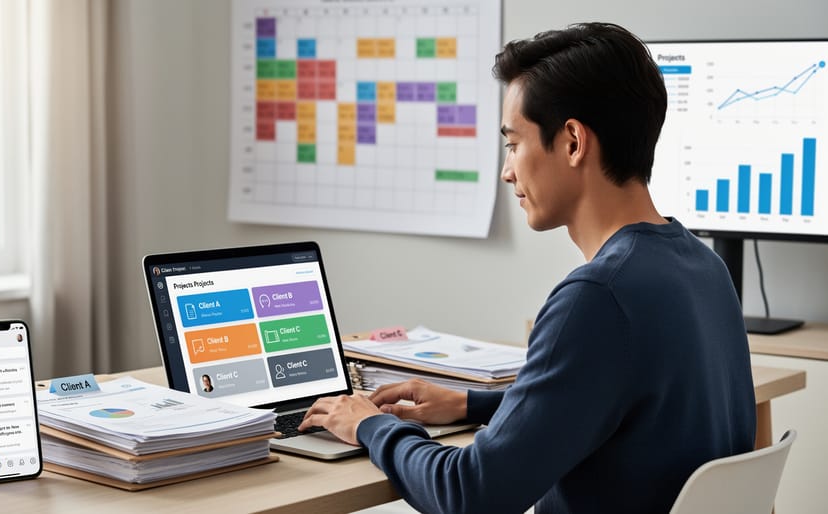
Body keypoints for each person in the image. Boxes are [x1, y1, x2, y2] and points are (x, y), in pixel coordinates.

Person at [299, 22, 756, 513]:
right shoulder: (703, 267)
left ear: (573, 142)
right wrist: (471, 404)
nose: (507, 170)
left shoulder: (599, 296)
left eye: (514, 144)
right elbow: (618, 404)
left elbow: (470, 495)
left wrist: (370, 425)